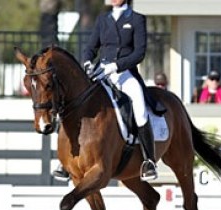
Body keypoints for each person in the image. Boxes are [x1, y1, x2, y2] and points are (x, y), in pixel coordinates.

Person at [53, 0, 158, 181]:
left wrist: (116, 66)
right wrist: (87, 61)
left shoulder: (136, 19)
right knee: (77, 102)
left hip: (125, 74)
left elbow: (139, 53)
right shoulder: (103, 19)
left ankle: (149, 161)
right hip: (101, 71)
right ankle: (66, 161)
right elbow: (91, 47)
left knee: (140, 109)